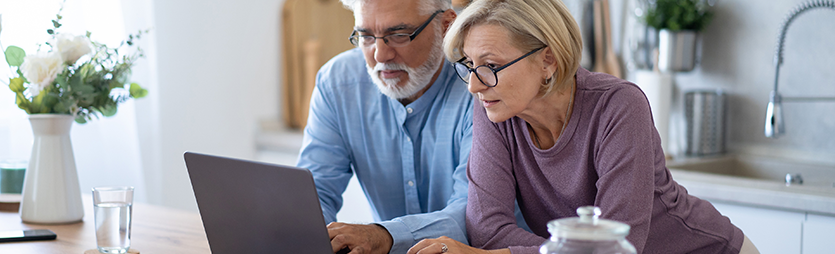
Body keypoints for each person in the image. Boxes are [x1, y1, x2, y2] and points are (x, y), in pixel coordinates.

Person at [408, 0, 761, 253]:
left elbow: (618, 244)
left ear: (547, 59)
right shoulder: (493, 109)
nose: (474, 84)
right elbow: (487, 230)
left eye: (490, 65)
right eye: (470, 65)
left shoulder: (618, 105)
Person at [295, 0, 474, 253]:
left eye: (399, 35)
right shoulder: (337, 83)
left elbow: (471, 216)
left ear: (446, 26)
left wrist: (384, 235)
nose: (380, 55)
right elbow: (314, 194)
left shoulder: (479, 86)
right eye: (366, 36)